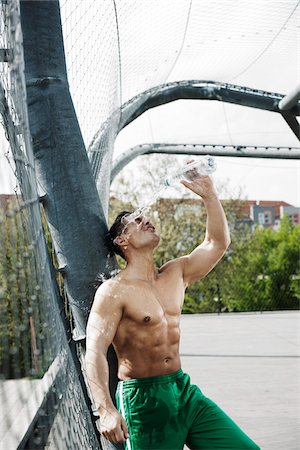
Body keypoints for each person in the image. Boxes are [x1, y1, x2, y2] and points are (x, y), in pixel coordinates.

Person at [85, 173, 260, 450]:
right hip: (145, 401)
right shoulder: (113, 291)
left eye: (144, 217)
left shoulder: (175, 273)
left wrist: (210, 196)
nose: (145, 220)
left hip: (184, 390)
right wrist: (105, 408)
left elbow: (216, 243)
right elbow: (94, 351)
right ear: (122, 241)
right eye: (135, 221)